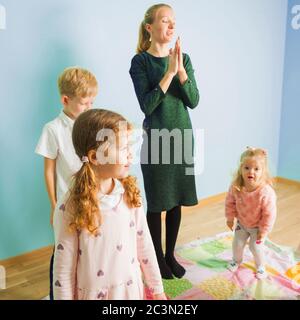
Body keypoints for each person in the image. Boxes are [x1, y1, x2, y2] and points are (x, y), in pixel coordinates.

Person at [53, 109, 166, 300]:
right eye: (123, 148)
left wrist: (157, 289)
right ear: (95, 157)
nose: (130, 154)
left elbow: (144, 245)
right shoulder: (70, 206)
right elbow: (63, 272)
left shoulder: (130, 194)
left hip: (130, 292)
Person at [129, 4, 200, 279]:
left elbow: (193, 101)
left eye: (173, 22)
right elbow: (147, 105)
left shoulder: (186, 59)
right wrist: (169, 72)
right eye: (165, 21)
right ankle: (156, 258)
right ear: (149, 27)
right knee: (158, 202)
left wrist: (181, 70)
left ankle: (170, 254)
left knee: (176, 201)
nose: (171, 26)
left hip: (182, 138)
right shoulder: (141, 62)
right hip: (157, 141)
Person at [35, 67, 98, 298]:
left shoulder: (90, 125)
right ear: (65, 100)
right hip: (66, 203)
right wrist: (54, 205)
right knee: (62, 254)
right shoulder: (53, 129)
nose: (89, 108)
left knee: (88, 251)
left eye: (92, 102)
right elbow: (49, 170)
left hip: (91, 199)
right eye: (85, 103)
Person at [225, 147, 277, 279]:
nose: (251, 172)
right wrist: (230, 218)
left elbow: (269, 214)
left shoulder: (265, 192)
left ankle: (260, 266)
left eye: (256, 169)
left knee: (255, 247)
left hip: (258, 227)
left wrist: (263, 230)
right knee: (237, 244)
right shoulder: (236, 187)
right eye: (247, 168)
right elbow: (229, 203)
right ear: (241, 169)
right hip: (242, 223)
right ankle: (236, 261)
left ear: (263, 172)